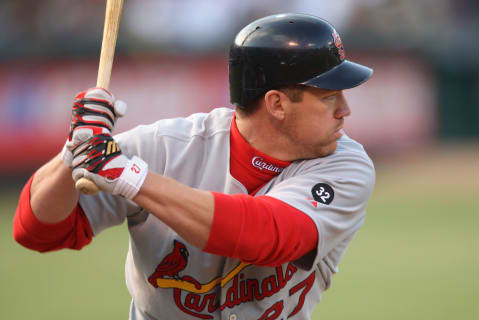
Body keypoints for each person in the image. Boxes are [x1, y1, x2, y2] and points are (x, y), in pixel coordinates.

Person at [13, 13, 375, 320]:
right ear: (277, 104)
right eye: (330, 97)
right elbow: (38, 231)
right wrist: (72, 153)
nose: (345, 109)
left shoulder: (347, 167)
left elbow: (267, 236)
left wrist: (131, 178)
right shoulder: (166, 147)